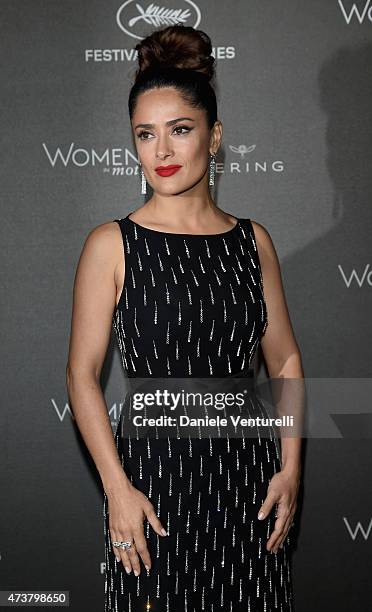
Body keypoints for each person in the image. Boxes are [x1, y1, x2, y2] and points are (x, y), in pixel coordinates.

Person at [66, 24, 303, 611]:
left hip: (247, 481)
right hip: (152, 484)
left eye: (180, 130)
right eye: (146, 135)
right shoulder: (111, 245)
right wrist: (117, 489)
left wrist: (290, 469)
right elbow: (81, 375)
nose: (163, 152)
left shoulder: (254, 242)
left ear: (214, 136)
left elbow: (287, 359)